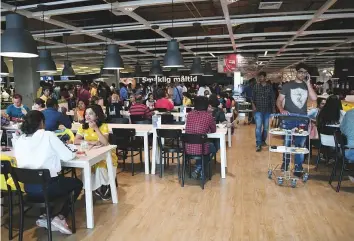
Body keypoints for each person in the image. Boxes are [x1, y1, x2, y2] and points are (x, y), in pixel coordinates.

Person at [14, 110, 82, 235]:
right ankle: (60, 217)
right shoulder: (48, 135)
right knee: (76, 183)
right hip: (48, 187)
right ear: (41, 123)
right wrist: (72, 151)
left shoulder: (19, 140)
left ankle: (47, 216)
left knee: (57, 183)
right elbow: (67, 156)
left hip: (28, 189)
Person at [276, 63, 317, 176]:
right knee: (287, 143)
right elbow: (279, 100)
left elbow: (314, 98)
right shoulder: (287, 86)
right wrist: (281, 109)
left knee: (300, 146)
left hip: (302, 120)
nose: (302, 74)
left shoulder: (306, 86)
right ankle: (286, 163)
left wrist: (308, 83)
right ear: (296, 72)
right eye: (301, 72)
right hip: (288, 119)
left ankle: (298, 168)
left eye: (305, 72)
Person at [74, 105, 118, 200]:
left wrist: (96, 129)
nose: (87, 116)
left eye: (90, 113)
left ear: (97, 116)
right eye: (86, 113)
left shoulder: (103, 126)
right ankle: (95, 188)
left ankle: (103, 186)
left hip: (106, 154)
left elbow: (105, 143)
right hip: (90, 153)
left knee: (100, 166)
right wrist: (91, 142)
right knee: (87, 167)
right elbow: (76, 141)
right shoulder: (83, 127)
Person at [185, 96, 216, 179]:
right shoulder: (208, 116)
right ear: (206, 105)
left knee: (201, 145)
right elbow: (213, 130)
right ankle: (200, 168)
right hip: (201, 148)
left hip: (188, 148)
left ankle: (198, 168)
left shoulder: (190, 114)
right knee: (214, 146)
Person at [252, 71, 275, 152]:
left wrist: (273, 111)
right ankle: (258, 144)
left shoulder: (269, 87)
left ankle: (263, 141)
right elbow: (252, 98)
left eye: (261, 77)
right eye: (259, 77)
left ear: (265, 77)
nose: (260, 78)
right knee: (258, 127)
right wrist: (253, 106)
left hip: (267, 111)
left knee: (265, 128)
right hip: (258, 110)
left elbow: (272, 99)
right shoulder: (256, 86)